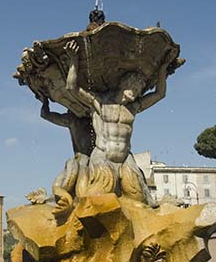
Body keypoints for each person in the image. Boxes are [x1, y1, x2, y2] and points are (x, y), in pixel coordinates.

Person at [65, 40, 172, 204]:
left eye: (138, 90)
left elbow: (160, 94)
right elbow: (72, 87)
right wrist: (73, 61)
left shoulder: (134, 107)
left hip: (125, 159)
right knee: (96, 200)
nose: (136, 93)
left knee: (141, 200)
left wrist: (163, 69)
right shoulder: (100, 103)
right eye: (133, 88)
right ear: (124, 84)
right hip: (103, 157)